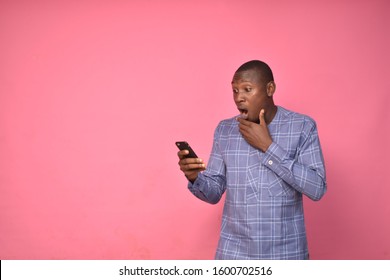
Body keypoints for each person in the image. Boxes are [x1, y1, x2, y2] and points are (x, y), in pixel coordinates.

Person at [177, 60, 326, 260]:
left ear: (270, 89)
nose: (239, 98)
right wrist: (195, 177)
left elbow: (317, 188)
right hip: (234, 256)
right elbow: (213, 193)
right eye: (235, 90)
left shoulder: (302, 127)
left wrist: (268, 146)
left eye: (247, 89)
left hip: (285, 255)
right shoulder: (225, 130)